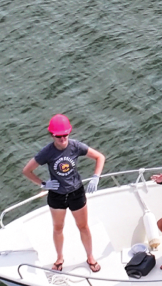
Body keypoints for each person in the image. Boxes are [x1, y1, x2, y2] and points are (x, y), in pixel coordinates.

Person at [21, 114, 106, 272]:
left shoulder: (75, 146)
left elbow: (99, 157)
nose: (62, 139)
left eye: (65, 134)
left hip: (76, 192)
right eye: (58, 136)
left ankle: (90, 257)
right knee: (58, 227)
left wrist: (96, 177)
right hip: (57, 195)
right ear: (52, 135)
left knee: (83, 226)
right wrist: (43, 184)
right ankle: (60, 258)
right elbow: (27, 170)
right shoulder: (47, 152)